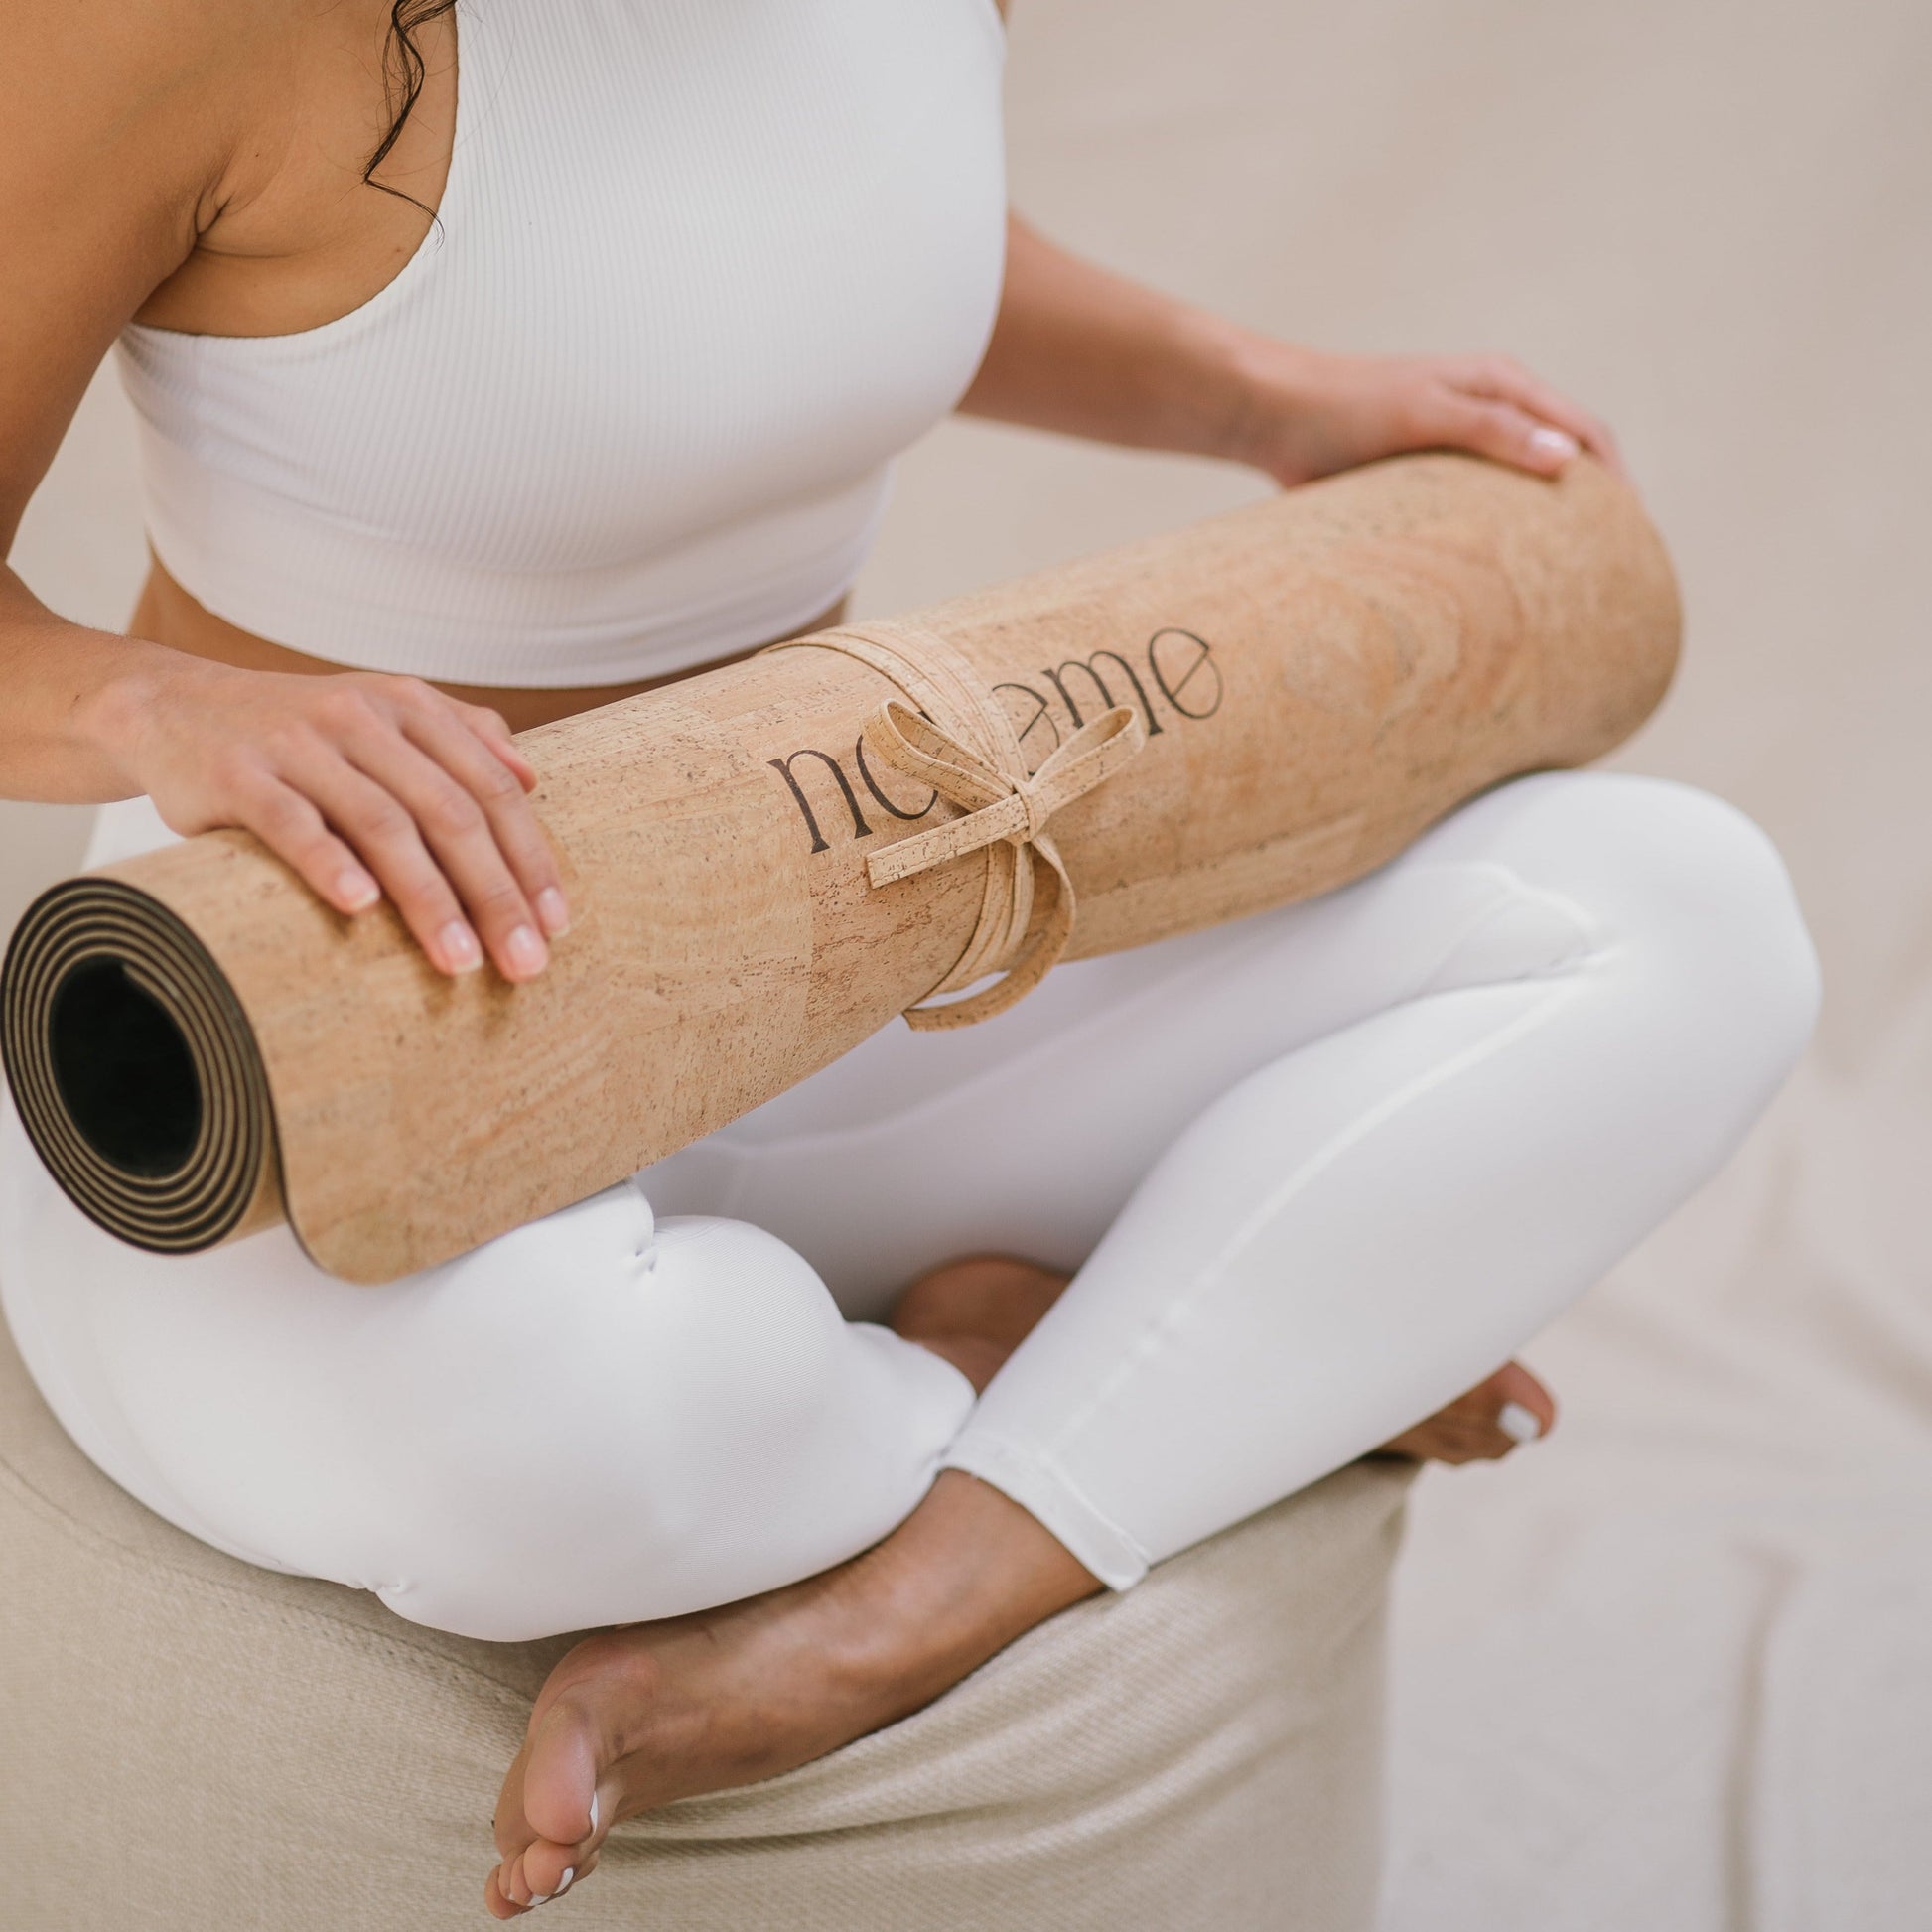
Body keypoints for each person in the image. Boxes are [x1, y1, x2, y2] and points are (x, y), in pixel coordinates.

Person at [0, 0, 1819, 1916]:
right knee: (571, 1447)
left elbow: (802, 227)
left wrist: (1262, 398)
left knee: (1677, 916)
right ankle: (1069, 1340)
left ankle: (934, 1575)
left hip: (833, 959)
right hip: (317, 1035)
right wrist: (157, 710)